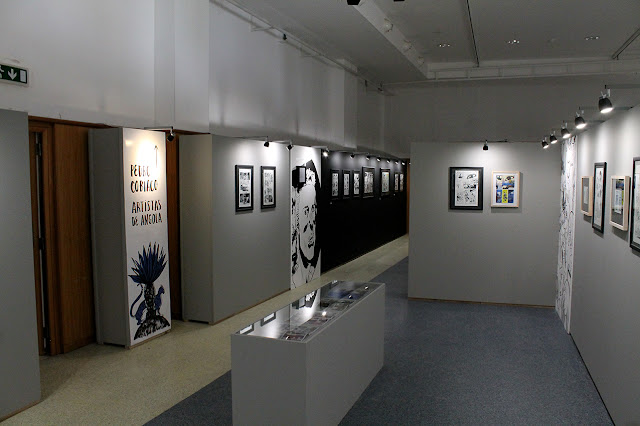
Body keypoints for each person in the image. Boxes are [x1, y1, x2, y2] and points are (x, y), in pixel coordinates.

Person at [291, 160, 321, 287]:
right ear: (296, 222)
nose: (311, 223)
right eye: (305, 212)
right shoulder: (295, 279)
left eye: (313, 210)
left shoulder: (310, 272)